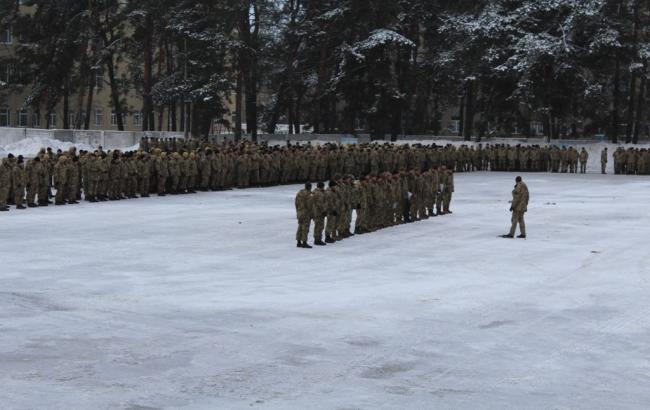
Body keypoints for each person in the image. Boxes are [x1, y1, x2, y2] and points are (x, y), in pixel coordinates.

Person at [295, 182, 313, 249]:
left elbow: (296, 203)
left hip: (300, 212)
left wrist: (298, 210)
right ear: (310, 187)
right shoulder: (308, 195)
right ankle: (304, 242)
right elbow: (309, 205)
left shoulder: (299, 193)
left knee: (300, 227)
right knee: (305, 228)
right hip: (306, 213)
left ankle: (298, 242)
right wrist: (311, 213)